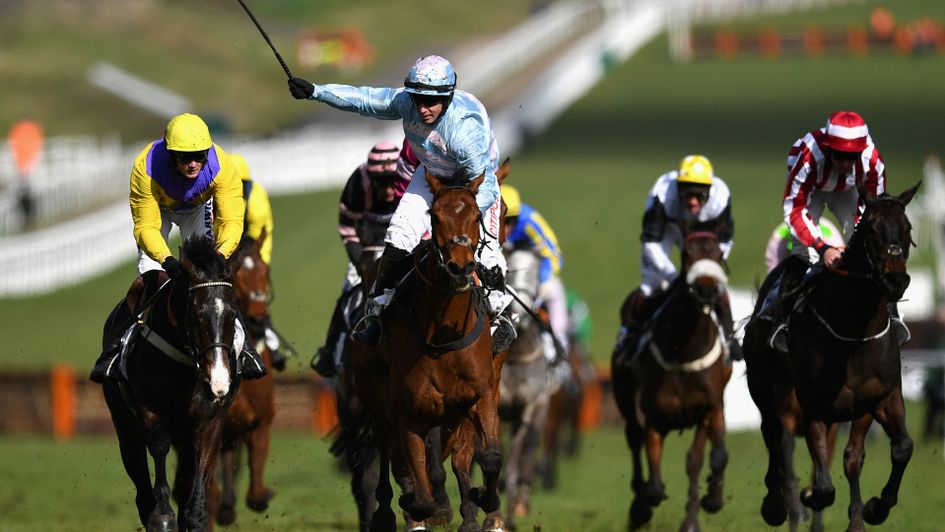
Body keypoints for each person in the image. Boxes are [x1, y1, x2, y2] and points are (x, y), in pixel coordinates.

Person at [288, 55, 515, 352]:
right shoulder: (408, 103)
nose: (421, 108)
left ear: (447, 98)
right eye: (417, 99)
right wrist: (316, 91)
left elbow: (483, 186)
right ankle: (377, 309)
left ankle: (502, 316)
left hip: (475, 183)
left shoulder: (465, 132)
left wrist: (458, 215)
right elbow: (365, 100)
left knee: (485, 249)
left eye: (430, 102)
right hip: (433, 172)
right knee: (397, 236)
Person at [89, 113, 267, 383]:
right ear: (171, 154)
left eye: (199, 155)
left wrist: (218, 257)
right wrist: (168, 261)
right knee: (148, 279)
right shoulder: (145, 168)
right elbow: (146, 227)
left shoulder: (223, 167)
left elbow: (231, 221)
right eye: (184, 157)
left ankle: (246, 351)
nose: (193, 164)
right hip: (157, 210)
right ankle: (114, 350)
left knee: (214, 281)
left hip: (196, 208)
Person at [765, 110, 906, 348]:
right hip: (812, 191)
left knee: (872, 243)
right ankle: (783, 320)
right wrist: (822, 248)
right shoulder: (808, 157)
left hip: (850, 191)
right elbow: (794, 210)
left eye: (852, 156)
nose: (845, 163)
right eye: (839, 155)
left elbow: (877, 211)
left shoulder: (872, 162)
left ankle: (891, 312)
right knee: (803, 251)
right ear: (827, 147)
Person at [617, 154, 739, 360]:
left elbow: (725, 241)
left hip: (703, 237)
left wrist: (710, 266)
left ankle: (730, 337)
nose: (692, 201)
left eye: (699, 195)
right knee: (652, 284)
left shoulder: (721, 197)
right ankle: (629, 336)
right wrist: (675, 277)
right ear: (677, 187)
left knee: (713, 284)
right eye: (687, 194)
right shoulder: (662, 193)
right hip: (668, 230)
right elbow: (651, 242)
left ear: (709, 191)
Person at [311, 141, 408, 377]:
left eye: (390, 182)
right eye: (380, 183)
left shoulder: (408, 179)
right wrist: (361, 264)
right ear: (370, 177)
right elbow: (347, 228)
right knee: (349, 293)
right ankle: (330, 350)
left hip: (404, 246)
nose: (387, 190)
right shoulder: (357, 183)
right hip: (366, 249)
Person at [500, 184, 570, 377]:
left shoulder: (530, 222)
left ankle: (557, 355)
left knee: (555, 291)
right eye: (500, 219)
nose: (504, 227)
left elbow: (554, 255)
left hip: (533, 279)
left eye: (509, 220)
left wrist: (538, 283)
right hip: (502, 279)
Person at [229, 153, 291, 371]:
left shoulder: (256, 198)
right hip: (230, 243)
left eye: (239, 184)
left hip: (256, 247)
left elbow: (255, 236)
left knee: (255, 294)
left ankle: (273, 346)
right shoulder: (218, 196)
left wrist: (254, 264)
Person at [7, 116, 43, 228]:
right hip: (26, 165)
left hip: (24, 165)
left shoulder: (19, 129)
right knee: (25, 192)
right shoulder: (32, 129)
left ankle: (28, 219)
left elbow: (14, 145)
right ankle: (28, 218)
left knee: (25, 191)